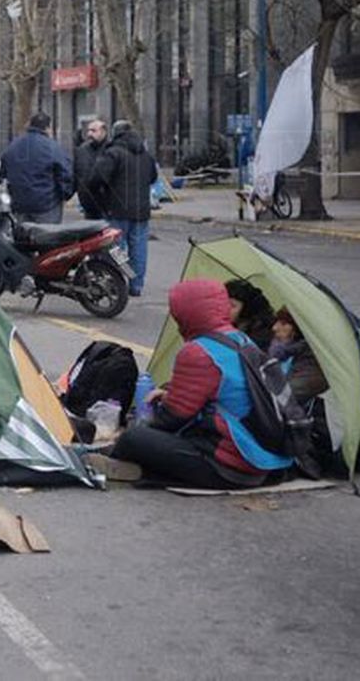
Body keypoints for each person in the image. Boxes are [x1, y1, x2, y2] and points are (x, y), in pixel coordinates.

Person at [110, 278, 292, 489]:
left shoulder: (198, 351)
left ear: (185, 311)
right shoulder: (240, 339)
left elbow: (173, 417)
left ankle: (127, 463)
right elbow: (222, 395)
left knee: (133, 438)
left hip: (229, 467)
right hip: (262, 460)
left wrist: (131, 431)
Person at [92, 120, 158, 297]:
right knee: (139, 249)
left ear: (115, 133)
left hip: (117, 210)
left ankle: (118, 281)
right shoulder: (146, 155)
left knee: (116, 250)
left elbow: (98, 178)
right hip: (141, 211)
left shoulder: (113, 153)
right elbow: (153, 178)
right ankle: (136, 285)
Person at [0, 113, 74, 224]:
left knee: (21, 238)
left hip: (19, 205)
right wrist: (65, 194)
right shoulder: (52, 147)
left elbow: (3, 174)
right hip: (46, 205)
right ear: (48, 128)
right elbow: (65, 174)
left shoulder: (13, 146)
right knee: (46, 238)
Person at [269, 308, 327, 402]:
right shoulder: (281, 350)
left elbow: (281, 397)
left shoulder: (311, 365)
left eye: (284, 324)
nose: (274, 328)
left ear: (297, 329)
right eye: (276, 322)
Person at [224, 279, 277, 353]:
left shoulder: (260, 334)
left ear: (245, 310)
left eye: (232, 306)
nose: (225, 308)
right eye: (223, 302)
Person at [74, 119, 109, 219]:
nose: (89, 134)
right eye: (88, 130)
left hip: (107, 204)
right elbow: (76, 172)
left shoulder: (111, 150)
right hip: (87, 204)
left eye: (94, 131)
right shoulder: (82, 150)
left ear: (103, 132)